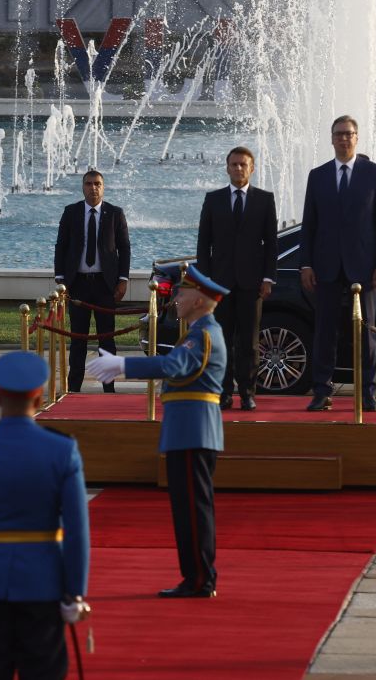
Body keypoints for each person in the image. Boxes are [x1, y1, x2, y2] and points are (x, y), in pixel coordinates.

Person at [0, 351, 90, 680]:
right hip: (44, 584)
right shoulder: (62, 450)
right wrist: (74, 591)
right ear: (39, 397)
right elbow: (78, 529)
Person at [89, 265, 228, 598]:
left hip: (194, 430)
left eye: (182, 293)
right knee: (188, 509)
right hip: (187, 430)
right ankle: (195, 576)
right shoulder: (198, 331)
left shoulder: (203, 334)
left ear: (198, 299)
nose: (176, 298)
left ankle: (200, 579)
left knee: (193, 511)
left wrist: (123, 366)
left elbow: (172, 366)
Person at [299, 115, 376, 412]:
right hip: (325, 266)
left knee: (366, 332)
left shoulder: (373, 173)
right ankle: (322, 391)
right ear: (331, 138)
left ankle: (367, 392)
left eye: (348, 134)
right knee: (324, 331)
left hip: (364, 267)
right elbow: (309, 224)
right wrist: (306, 264)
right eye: (338, 134)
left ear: (357, 137)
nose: (343, 139)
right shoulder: (318, 175)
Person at [196, 146, 278, 411]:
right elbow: (203, 244)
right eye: (234, 164)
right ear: (227, 167)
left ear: (251, 168)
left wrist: (268, 278)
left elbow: (271, 244)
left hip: (251, 283)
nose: (238, 169)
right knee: (221, 341)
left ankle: (248, 392)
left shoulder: (264, 200)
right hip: (220, 283)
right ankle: (223, 392)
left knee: (249, 343)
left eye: (243, 164)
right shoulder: (213, 199)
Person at [54, 170, 131, 393]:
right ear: (83, 187)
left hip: (105, 286)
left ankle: (109, 388)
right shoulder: (71, 212)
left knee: (107, 339)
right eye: (89, 184)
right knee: (78, 338)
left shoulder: (115, 213)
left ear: (103, 187)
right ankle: (74, 388)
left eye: (97, 184)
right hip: (77, 284)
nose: (93, 188)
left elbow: (124, 248)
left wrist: (122, 280)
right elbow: (61, 246)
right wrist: (61, 279)